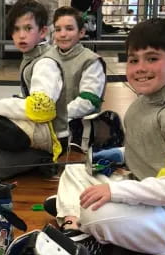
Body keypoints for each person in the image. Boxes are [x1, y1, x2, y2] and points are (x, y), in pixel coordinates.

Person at [47, 18, 165, 255]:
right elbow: (156, 150)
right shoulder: (146, 102)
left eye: (152, 58)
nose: (140, 68)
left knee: (97, 215)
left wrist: (116, 192)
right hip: (151, 196)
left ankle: (80, 218)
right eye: (133, 60)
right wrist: (118, 156)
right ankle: (73, 224)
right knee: (77, 171)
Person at [0, 0, 68, 183]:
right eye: (16, 29)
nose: (21, 36)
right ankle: (16, 155)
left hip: (50, 142)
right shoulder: (33, 56)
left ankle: (40, 160)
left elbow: (41, 108)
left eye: (28, 28)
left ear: (43, 32)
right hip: (37, 130)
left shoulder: (45, 63)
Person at [48, 6, 106, 151]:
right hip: (47, 125)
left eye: (69, 28)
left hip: (77, 133)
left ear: (81, 32)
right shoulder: (47, 57)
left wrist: (54, 117)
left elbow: (88, 102)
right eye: (58, 29)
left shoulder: (91, 61)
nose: (62, 34)